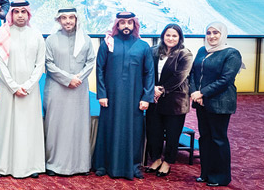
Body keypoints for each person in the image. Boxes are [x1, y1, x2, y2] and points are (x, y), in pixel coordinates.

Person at [93, 11, 154, 180]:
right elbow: (100, 70)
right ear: (117, 25)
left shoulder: (143, 46)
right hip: (111, 98)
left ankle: (133, 166)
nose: (126, 26)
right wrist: (102, 94)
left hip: (134, 98)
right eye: (122, 22)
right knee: (109, 129)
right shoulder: (108, 44)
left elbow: (149, 73)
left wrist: (146, 97)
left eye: (129, 22)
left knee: (134, 131)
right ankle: (103, 165)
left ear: (134, 24)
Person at [0, 0, 46, 178]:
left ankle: (30, 166)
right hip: (8, 88)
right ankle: (2, 166)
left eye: (23, 11)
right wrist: (14, 87)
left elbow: (40, 64)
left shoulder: (36, 35)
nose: (20, 15)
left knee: (29, 127)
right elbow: (0, 65)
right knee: (5, 127)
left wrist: (27, 86)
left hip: (30, 90)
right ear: (11, 14)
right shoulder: (2, 34)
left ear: (28, 14)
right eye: (16, 12)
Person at [42, 8, 95, 176]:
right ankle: (54, 165)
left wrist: (78, 78)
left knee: (78, 126)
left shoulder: (85, 39)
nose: (68, 21)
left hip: (79, 89)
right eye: (64, 18)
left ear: (76, 19)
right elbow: (48, 64)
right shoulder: (51, 40)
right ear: (58, 20)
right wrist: (67, 79)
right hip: (57, 89)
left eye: (71, 17)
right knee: (56, 127)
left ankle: (80, 166)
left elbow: (90, 61)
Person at [190, 22, 242, 187]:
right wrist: (195, 92)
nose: (211, 36)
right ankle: (206, 173)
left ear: (223, 34)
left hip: (220, 103)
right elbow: (193, 73)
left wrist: (202, 92)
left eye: (216, 33)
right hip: (201, 102)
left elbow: (226, 80)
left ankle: (220, 177)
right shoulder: (202, 50)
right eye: (209, 33)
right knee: (205, 138)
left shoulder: (231, 53)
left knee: (218, 139)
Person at [145, 23, 193, 178]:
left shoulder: (185, 54)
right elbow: (147, 72)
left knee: (173, 134)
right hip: (154, 99)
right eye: (168, 35)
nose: (171, 38)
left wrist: (161, 89)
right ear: (163, 36)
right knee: (154, 132)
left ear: (179, 38)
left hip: (175, 101)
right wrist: (152, 88)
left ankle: (167, 162)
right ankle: (156, 159)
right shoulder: (153, 51)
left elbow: (180, 77)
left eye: (174, 36)